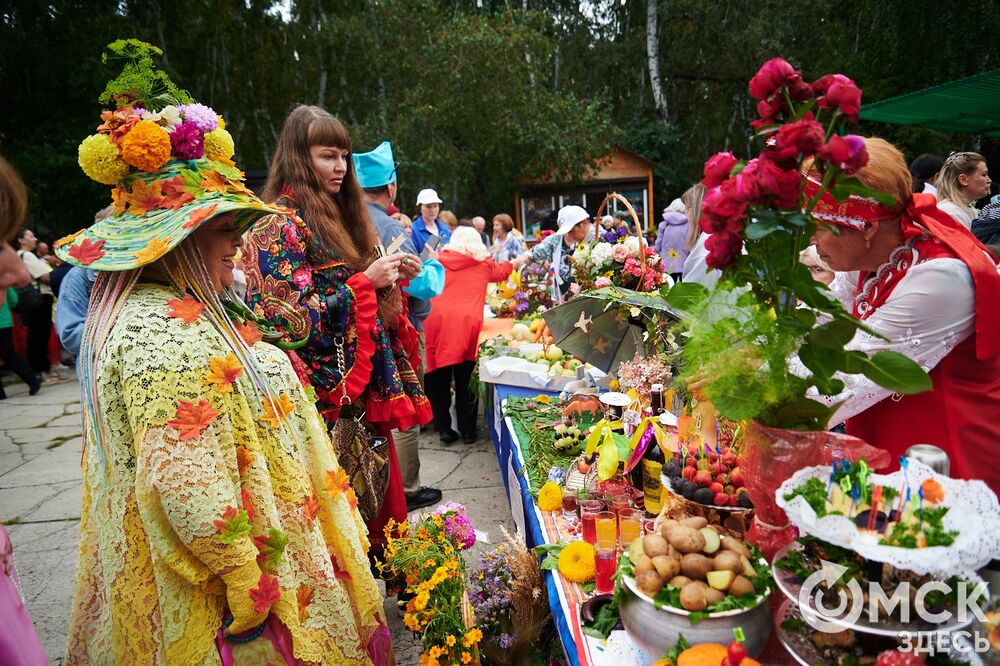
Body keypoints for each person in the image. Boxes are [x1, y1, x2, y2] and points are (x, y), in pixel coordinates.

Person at [56, 65, 390, 663]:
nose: (238, 243)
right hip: (232, 604)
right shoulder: (163, 339)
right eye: (225, 228)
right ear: (179, 239)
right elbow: (186, 482)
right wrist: (245, 579)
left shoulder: (179, 308)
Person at [244, 105, 429, 560]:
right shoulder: (275, 224)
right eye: (328, 156)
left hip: (358, 396)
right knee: (335, 521)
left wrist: (388, 277)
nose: (341, 167)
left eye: (344, 156)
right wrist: (365, 284)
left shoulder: (340, 215)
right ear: (298, 157)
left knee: (376, 506)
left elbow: (348, 292)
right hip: (320, 403)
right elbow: (284, 321)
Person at [806, 137, 1000, 494]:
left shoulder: (939, 278)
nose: (811, 240)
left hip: (945, 466)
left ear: (867, 228)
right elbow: (820, 322)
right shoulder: (871, 259)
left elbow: (848, 378)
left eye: (819, 226)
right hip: (890, 450)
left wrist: (750, 386)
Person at [353, 140, 444, 512]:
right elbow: (421, 283)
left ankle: (379, 492)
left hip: (360, 330)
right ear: (390, 185)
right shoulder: (388, 225)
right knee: (402, 413)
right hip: (396, 331)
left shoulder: (348, 217)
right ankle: (407, 488)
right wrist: (434, 263)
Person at [424, 227, 512, 444]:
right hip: (466, 326)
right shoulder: (483, 264)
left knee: (438, 380)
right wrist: (516, 262)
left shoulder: (439, 260)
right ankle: (468, 431)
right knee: (466, 380)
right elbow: (502, 272)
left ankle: (444, 429)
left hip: (436, 322)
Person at [511, 204, 591, 303]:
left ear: (585, 223)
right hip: (563, 295)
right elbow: (533, 254)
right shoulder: (555, 240)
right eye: (566, 231)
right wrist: (512, 265)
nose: (569, 234)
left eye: (571, 230)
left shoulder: (597, 237)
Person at [15, 228, 56, 378]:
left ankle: (40, 370)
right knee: (40, 335)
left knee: (34, 334)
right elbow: (46, 277)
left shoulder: (17, 256)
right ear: (21, 240)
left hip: (29, 300)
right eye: (31, 236)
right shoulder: (27, 255)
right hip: (40, 298)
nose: (35, 239)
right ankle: (41, 370)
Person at [1, 286, 42, 399]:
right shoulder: (3, 279)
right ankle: (32, 379)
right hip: (4, 320)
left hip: (3, 320)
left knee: (8, 353)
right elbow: (13, 299)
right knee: (8, 353)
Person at [935, 151, 991, 230]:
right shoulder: (950, 212)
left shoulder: (968, 209)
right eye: (984, 175)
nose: (989, 180)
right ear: (963, 180)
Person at [679, 184, 719, 287]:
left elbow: (692, 289)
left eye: (687, 209)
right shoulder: (713, 235)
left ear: (696, 210)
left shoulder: (707, 244)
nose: (686, 215)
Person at [655, 198, 690, 282]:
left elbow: (658, 245)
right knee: (684, 286)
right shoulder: (689, 224)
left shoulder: (664, 224)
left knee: (668, 285)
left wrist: (661, 254)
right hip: (685, 263)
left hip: (667, 263)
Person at [410, 188, 451, 255]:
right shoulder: (413, 230)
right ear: (420, 208)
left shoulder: (444, 229)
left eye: (435, 206)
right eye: (428, 206)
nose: (432, 210)